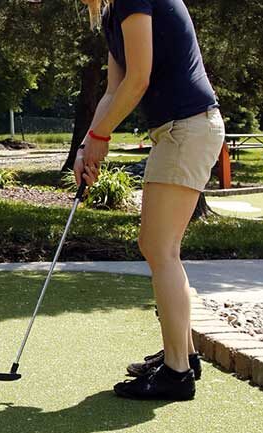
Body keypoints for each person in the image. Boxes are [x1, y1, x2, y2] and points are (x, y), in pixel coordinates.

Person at [76, 0, 224, 400]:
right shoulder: (111, 14)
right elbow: (113, 90)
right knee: (161, 248)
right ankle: (183, 354)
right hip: (177, 130)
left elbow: (139, 78)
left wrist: (100, 137)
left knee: (160, 248)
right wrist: (89, 145)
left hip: (188, 127)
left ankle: (177, 374)